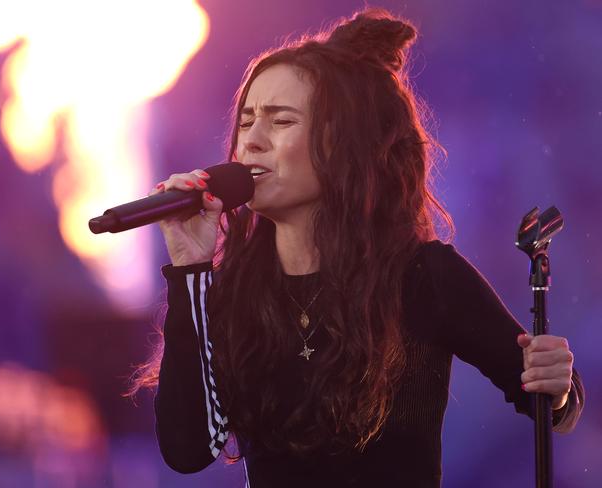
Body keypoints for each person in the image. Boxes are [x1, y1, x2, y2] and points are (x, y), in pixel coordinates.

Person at [135, 7, 584, 487]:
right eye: (246, 123)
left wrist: (556, 389)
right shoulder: (235, 291)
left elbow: (553, 405)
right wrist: (190, 269)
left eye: (280, 121)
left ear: (343, 143)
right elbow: (186, 450)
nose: (253, 142)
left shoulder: (423, 276)